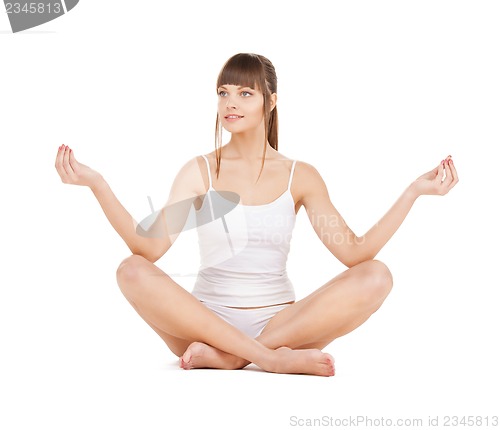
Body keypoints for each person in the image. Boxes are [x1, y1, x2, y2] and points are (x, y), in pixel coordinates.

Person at [54, 53, 459, 377]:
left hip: (282, 325)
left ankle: (233, 358)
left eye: (246, 93)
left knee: (377, 275)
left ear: (271, 101)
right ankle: (268, 359)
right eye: (223, 92)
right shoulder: (199, 170)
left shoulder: (300, 176)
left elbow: (355, 253)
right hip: (202, 325)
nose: (231, 102)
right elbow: (149, 247)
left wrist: (414, 192)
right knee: (131, 269)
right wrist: (97, 184)